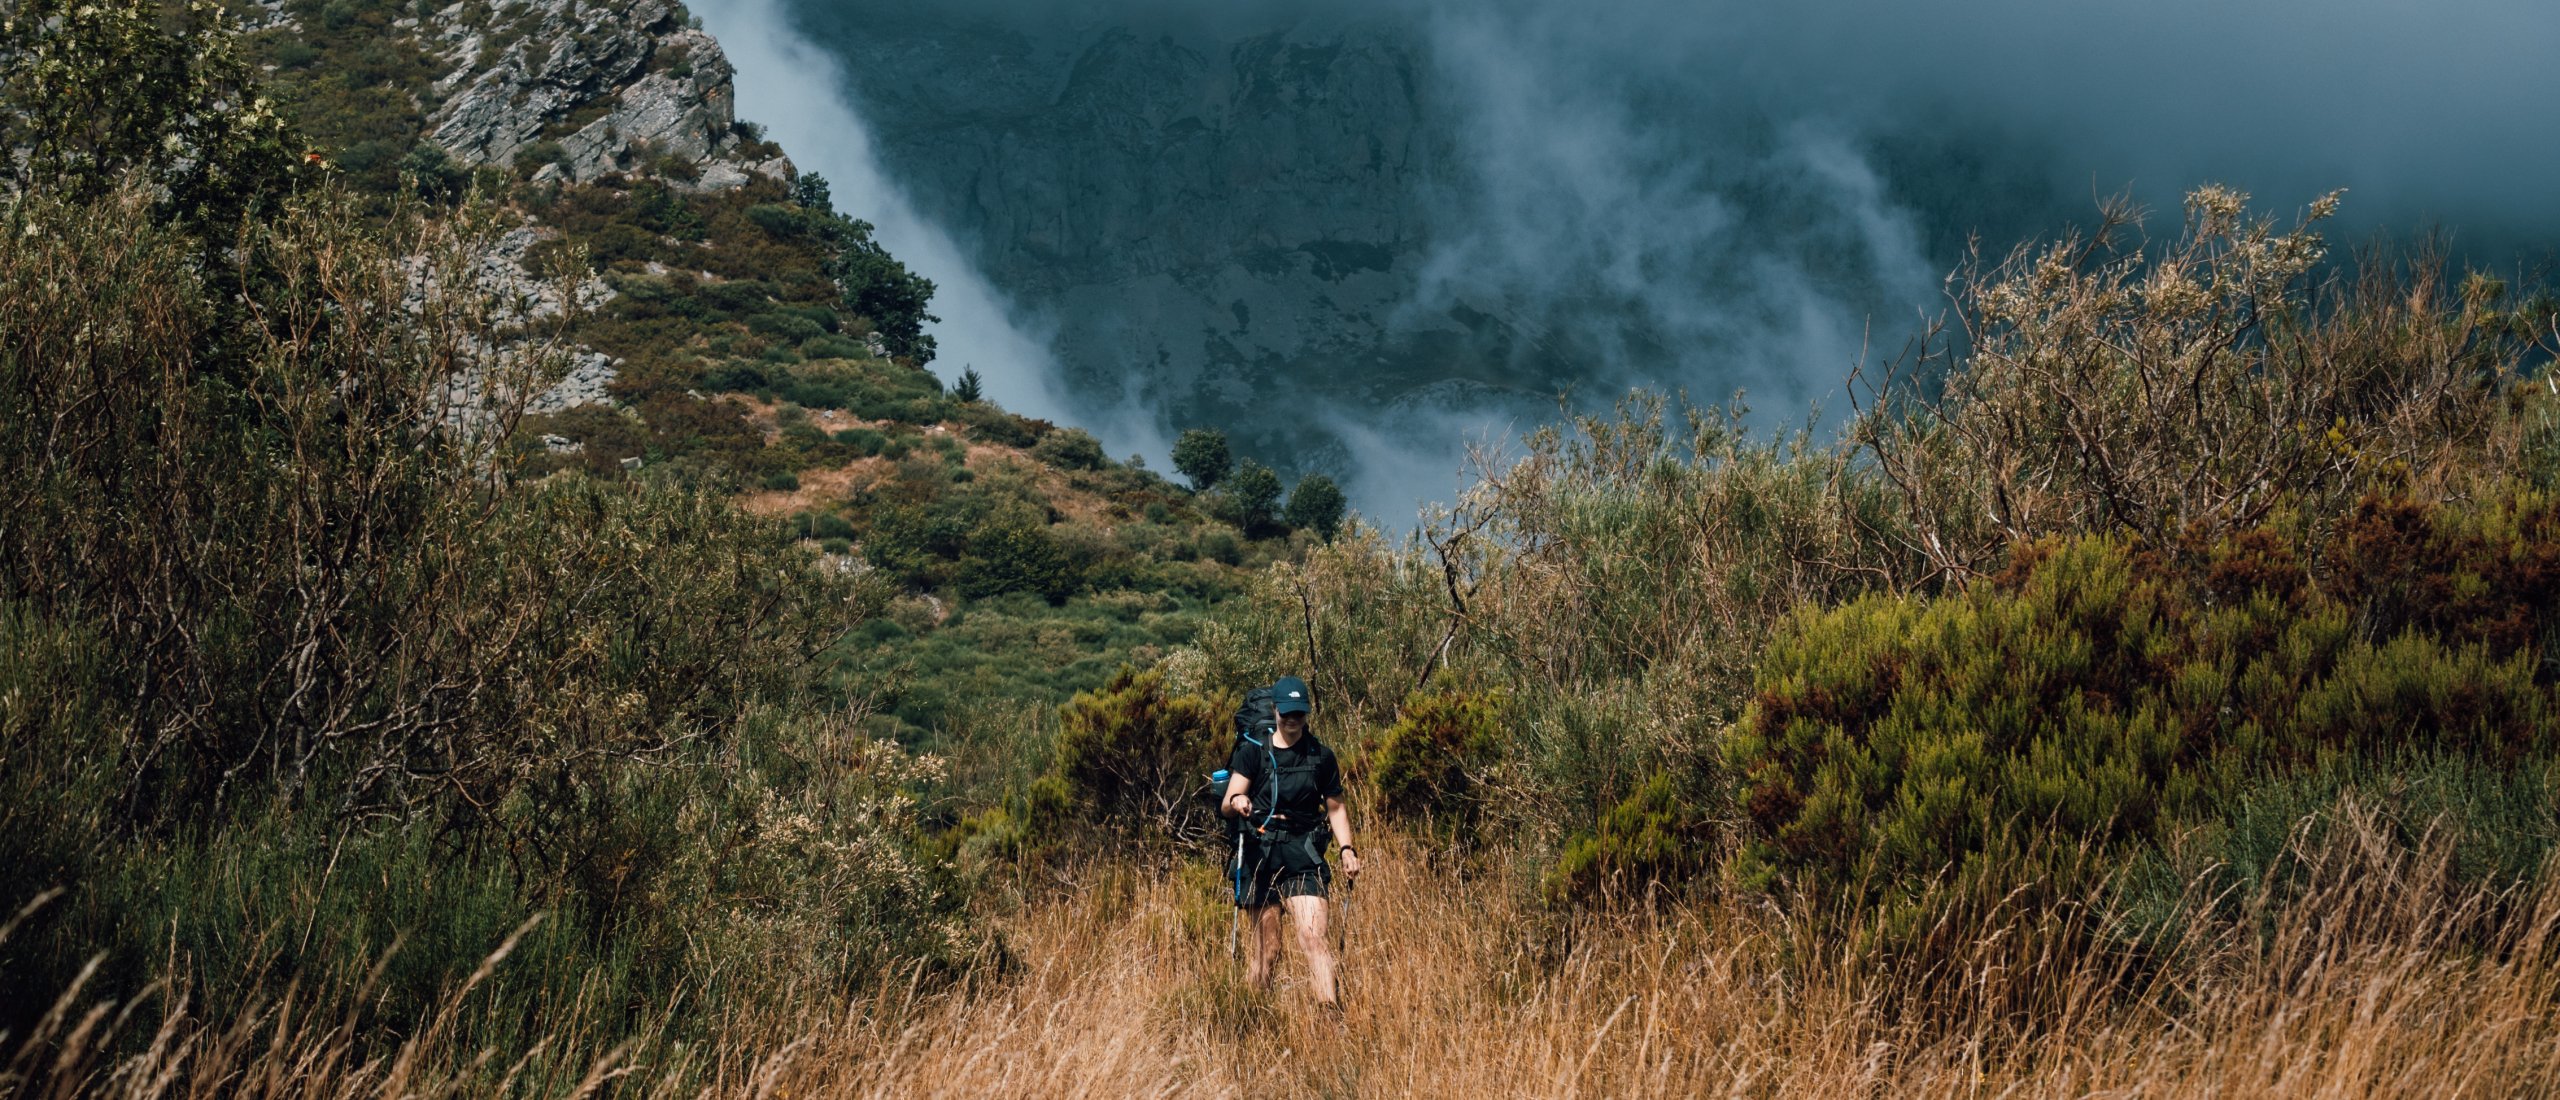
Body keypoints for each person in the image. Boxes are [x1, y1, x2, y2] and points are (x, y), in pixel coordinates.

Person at [1221, 674, 1362, 1005]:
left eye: (1299, 713)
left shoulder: (1321, 757)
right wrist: (1238, 802)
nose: (1293, 721)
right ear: (1275, 711)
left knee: (1314, 938)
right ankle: (1251, 1014)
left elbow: (1336, 807)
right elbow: (1228, 801)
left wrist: (1346, 849)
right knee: (1268, 952)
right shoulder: (1254, 753)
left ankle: (1329, 1018)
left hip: (1304, 852)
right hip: (1261, 851)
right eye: (1287, 714)